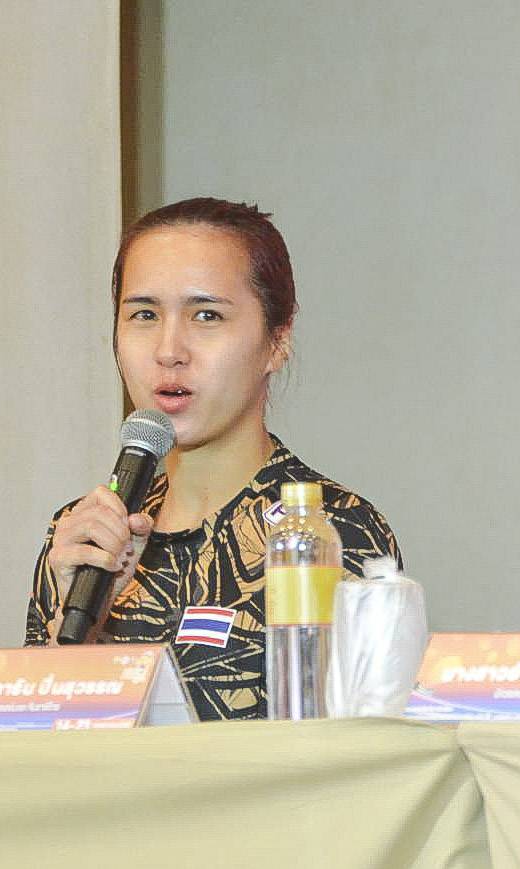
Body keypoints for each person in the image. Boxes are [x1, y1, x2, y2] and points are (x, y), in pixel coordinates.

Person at [25, 197, 400, 720]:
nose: (169, 350)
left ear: (277, 341)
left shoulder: (328, 530)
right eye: (144, 315)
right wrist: (75, 632)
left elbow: (356, 751)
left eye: (207, 315)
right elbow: (37, 750)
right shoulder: (82, 535)